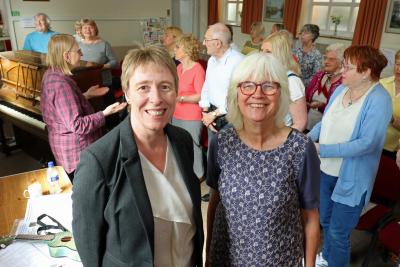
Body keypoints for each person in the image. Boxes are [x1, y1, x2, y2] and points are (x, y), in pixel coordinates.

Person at [72, 45, 204, 266]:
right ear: (127, 93)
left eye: (165, 87)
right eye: (143, 87)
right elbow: (89, 245)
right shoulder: (98, 161)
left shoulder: (182, 141)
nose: (156, 98)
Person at [205, 52, 320, 266]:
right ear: (236, 93)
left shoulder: (300, 148)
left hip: (278, 259)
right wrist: (208, 258)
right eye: (247, 85)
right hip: (225, 257)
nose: (258, 94)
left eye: (268, 85)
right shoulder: (221, 143)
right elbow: (214, 203)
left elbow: (311, 217)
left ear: (281, 94)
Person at [308, 45, 392, 267]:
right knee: (325, 221)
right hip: (325, 170)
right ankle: (327, 258)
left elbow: (367, 143)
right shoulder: (340, 90)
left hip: (351, 178)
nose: (342, 70)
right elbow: (325, 122)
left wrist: (321, 149)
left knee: (338, 232)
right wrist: (309, 140)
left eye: (348, 67)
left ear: (365, 72)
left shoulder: (379, 99)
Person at [40, 34, 126, 178]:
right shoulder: (61, 85)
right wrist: (105, 113)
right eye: (78, 51)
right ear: (67, 56)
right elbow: (78, 126)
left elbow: (62, 108)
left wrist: (86, 95)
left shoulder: (51, 75)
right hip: (76, 154)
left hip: (66, 148)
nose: (81, 54)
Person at [173, 34, 205, 180]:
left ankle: (198, 174)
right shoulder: (179, 67)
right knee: (179, 144)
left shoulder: (197, 69)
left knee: (193, 145)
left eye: (177, 47)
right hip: (176, 113)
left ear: (186, 50)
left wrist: (181, 98)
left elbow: (200, 96)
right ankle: (184, 172)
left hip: (192, 115)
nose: (174, 49)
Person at [262, 32, 307, 131]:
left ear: (280, 55)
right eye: (262, 50)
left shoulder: (292, 82)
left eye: (268, 51)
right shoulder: (265, 75)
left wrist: (278, 140)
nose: (262, 55)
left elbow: (300, 123)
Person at [305, 43, 345, 130]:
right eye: (325, 58)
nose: (326, 62)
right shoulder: (319, 75)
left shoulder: (344, 81)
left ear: (340, 62)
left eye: (331, 59)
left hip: (328, 128)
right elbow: (306, 96)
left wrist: (322, 105)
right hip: (308, 124)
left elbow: (340, 108)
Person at [381, 49, 400, 155]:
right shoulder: (381, 84)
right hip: (372, 143)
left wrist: (392, 119)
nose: (398, 69)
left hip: (394, 151)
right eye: (397, 64)